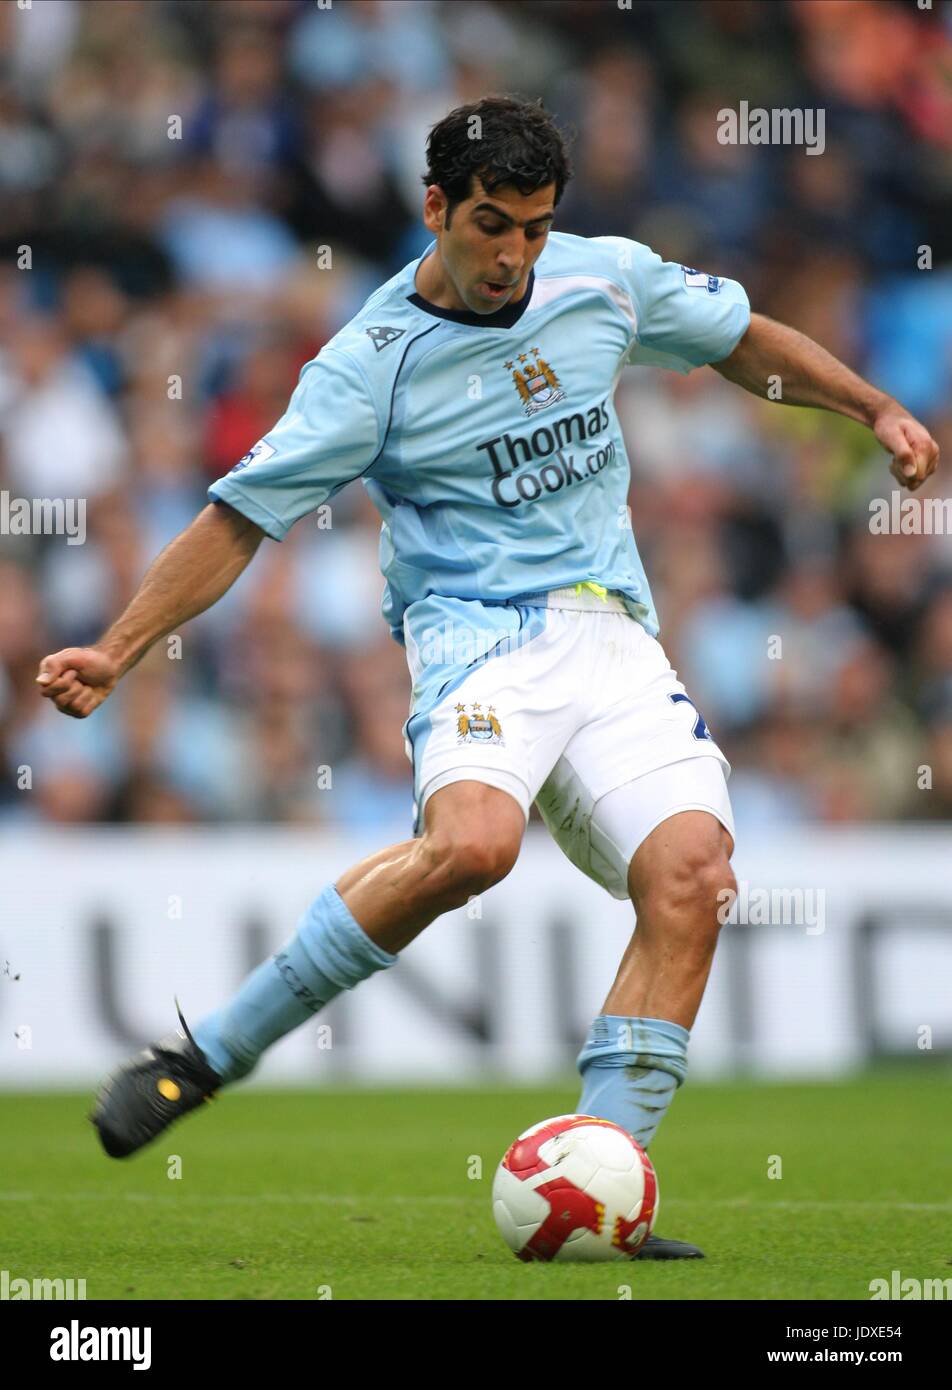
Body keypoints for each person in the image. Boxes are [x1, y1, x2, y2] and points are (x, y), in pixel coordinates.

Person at [37, 96, 939, 1260]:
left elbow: (739, 338)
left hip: (610, 633)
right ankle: (205, 1056)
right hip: (473, 637)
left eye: (534, 227)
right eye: (491, 225)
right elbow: (236, 520)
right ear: (435, 209)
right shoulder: (366, 366)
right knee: (472, 847)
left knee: (694, 876)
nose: (514, 254)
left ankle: (601, 1186)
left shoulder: (600, 278)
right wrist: (119, 644)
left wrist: (870, 405)